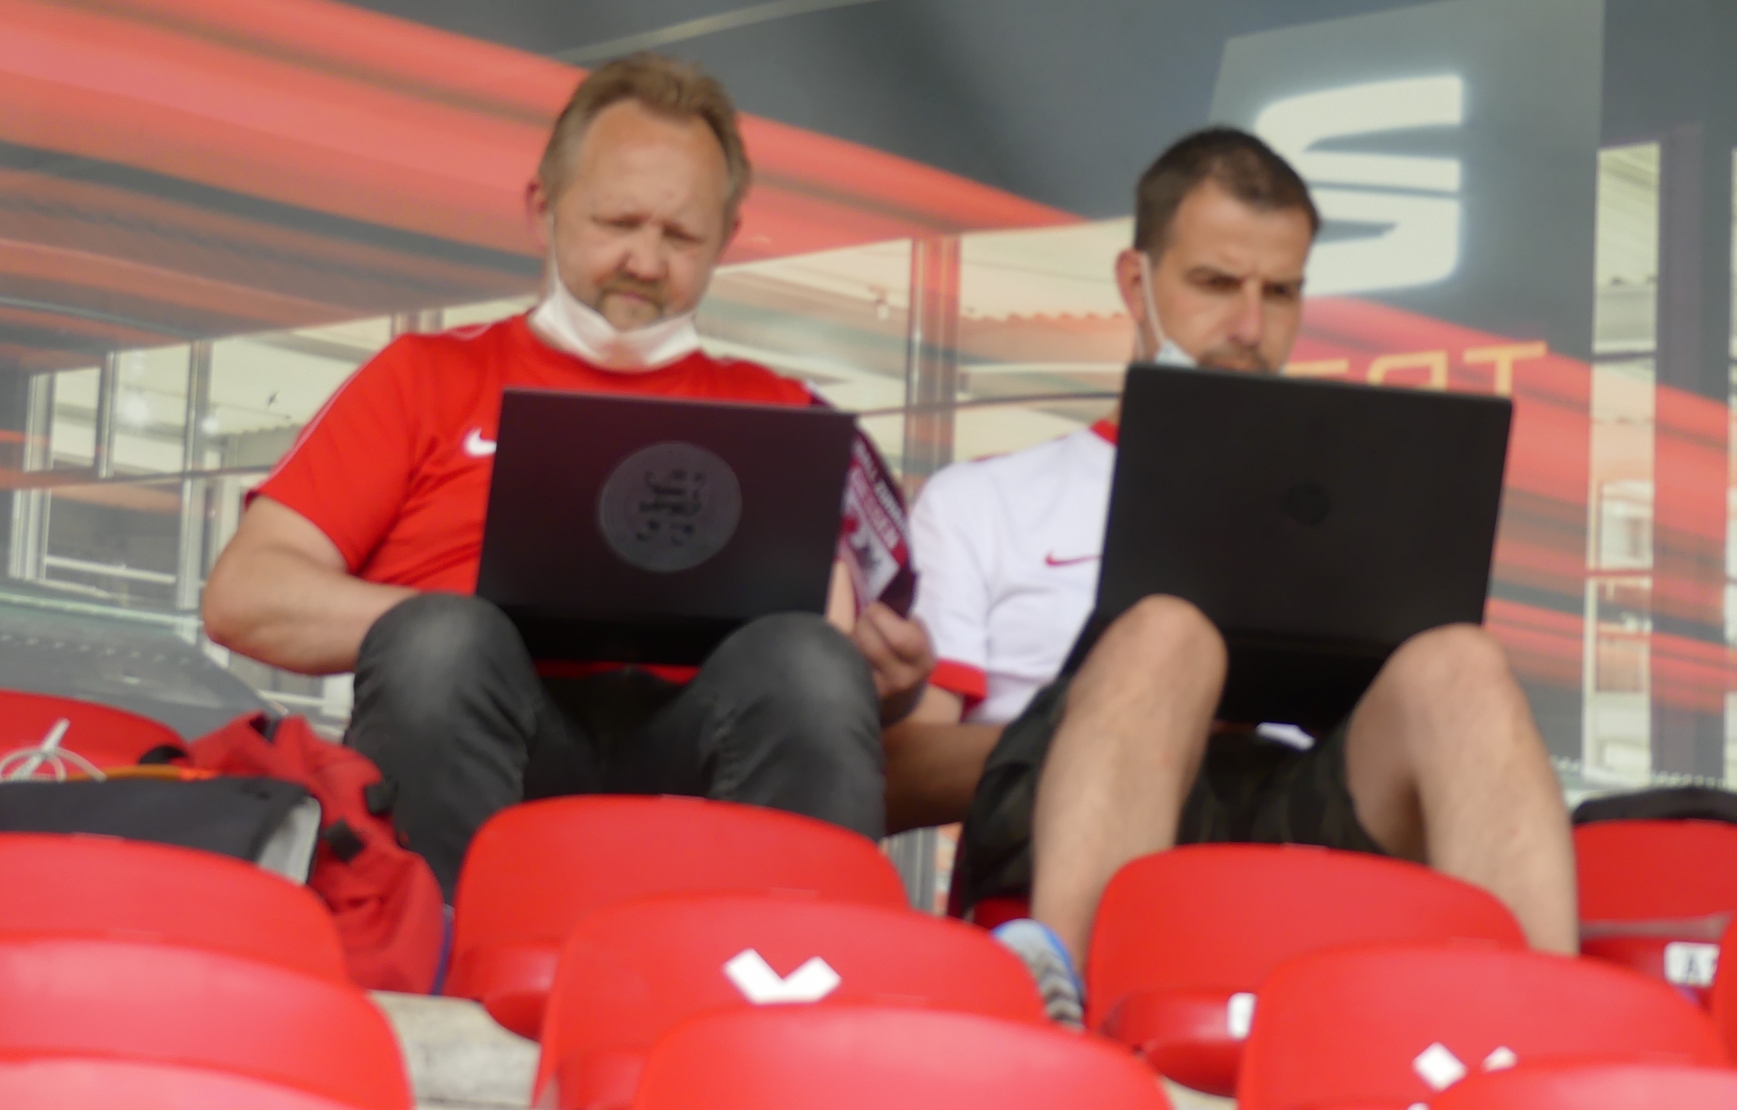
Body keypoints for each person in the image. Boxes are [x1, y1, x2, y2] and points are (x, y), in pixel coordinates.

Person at [886, 127, 1576, 1026]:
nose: (1250, 328)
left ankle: (1554, 1038)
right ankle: (1070, 1015)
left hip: (1285, 809)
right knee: (1165, 633)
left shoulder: (1345, 505)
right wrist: (1123, 722)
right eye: (1215, 284)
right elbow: (901, 774)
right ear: (1135, 283)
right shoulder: (984, 500)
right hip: (1056, 811)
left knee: (1462, 662)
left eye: (1279, 292)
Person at [203, 53, 934, 897]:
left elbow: (828, 669)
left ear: (727, 238)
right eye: (618, 222)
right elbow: (244, 596)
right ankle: (434, 949)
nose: (646, 261)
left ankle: (793, 968)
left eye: (682, 236)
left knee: (810, 660)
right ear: (542, 207)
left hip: (699, 752)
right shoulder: (424, 377)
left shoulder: (787, 413)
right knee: (443, 642)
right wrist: (498, 616)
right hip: (478, 728)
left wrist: (891, 686)